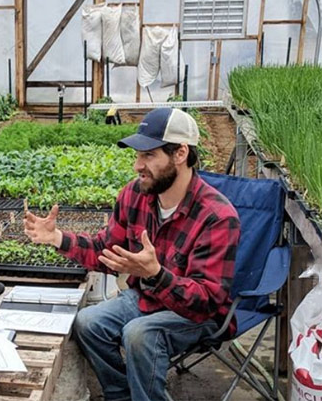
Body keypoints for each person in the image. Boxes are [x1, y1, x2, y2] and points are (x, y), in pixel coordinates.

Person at [24, 108, 241, 401]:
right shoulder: (135, 195)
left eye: (149, 155)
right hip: (148, 299)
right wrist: (57, 238)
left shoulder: (217, 216)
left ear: (180, 153)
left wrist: (157, 275)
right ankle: (121, 396)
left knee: (140, 335)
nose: (138, 165)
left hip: (198, 316)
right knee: (88, 323)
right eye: (137, 155)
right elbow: (106, 249)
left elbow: (207, 300)